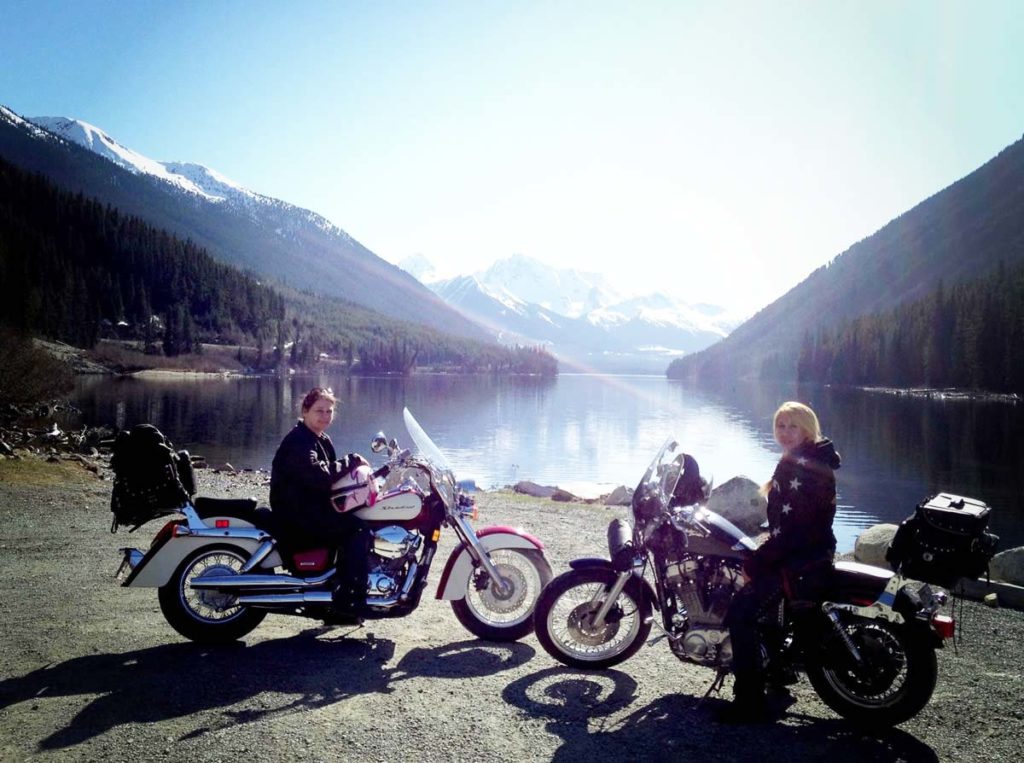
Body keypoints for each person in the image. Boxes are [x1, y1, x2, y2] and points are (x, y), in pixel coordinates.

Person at [718, 401, 842, 723]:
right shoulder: (810, 458)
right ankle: (778, 672)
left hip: (798, 556)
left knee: (741, 613)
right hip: (809, 550)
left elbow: (796, 528)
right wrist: (770, 542)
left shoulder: (801, 465)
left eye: (793, 426)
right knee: (769, 609)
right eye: (780, 426)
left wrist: (761, 558)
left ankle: (748, 702)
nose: (785, 433)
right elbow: (795, 520)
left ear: (808, 428)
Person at [269, 387, 371, 619]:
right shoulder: (299, 440)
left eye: (329, 411)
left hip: (308, 506)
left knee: (356, 519)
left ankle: (332, 594)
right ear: (305, 410)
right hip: (297, 513)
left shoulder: (318, 438)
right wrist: (352, 460)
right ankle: (351, 598)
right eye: (319, 410)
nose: (325, 416)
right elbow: (319, 475)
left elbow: (328, 478)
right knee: (357, 529)